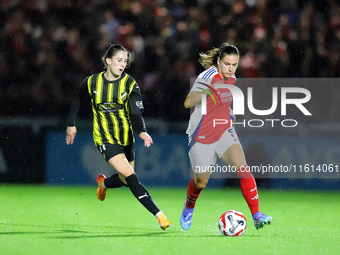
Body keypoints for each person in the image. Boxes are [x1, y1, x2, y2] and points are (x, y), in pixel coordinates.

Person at [66, 43, 171, 230]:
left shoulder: (130, 83)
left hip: (126, 138)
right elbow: (77, 98)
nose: (123, 64)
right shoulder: (91, 82)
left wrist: (142, 131)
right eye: (119, 60)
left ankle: (103, 183)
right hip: (105, 138)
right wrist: (71, 124)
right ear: (108, 61)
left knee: (124, 179)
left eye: (125, 61)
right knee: (131, 177)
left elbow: (136, 112)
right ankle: (159, 215)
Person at [180, 43, 273, 230]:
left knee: (242, 166)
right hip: (201, 134)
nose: (230, 69)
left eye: (234, 65)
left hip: (223, 130)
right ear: (218, 62)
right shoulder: (206, 77)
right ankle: (189, 205)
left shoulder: (232, 78)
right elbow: (187, 102)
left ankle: (256, 214)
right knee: (201, 182)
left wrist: (229, 110)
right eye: (226, 64)